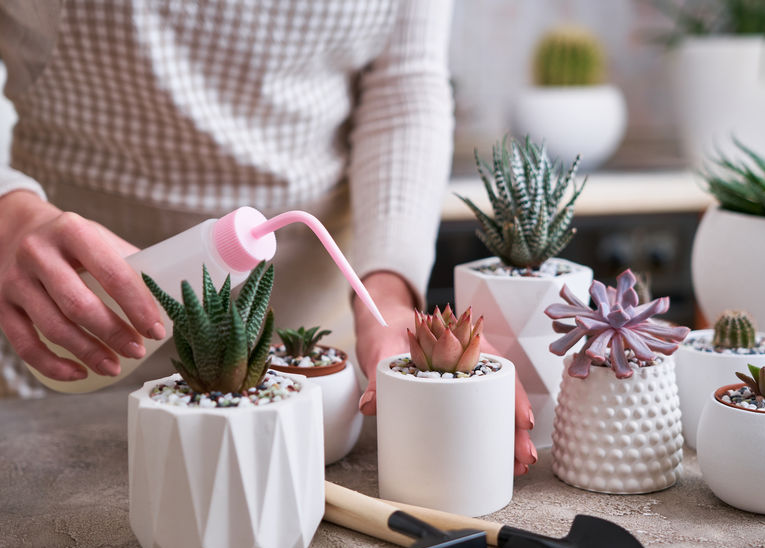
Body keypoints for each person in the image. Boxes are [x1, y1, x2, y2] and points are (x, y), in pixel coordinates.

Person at [0, 0, 537, 475]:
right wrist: (9, 206)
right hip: (61, 289)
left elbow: (405, 84)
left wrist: (388, 301)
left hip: (317, 312)